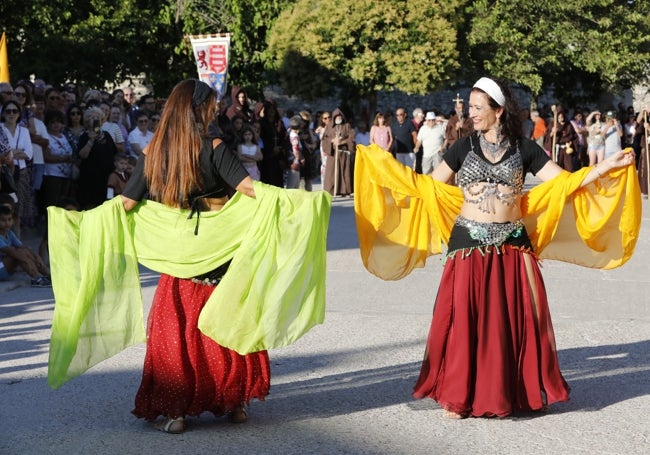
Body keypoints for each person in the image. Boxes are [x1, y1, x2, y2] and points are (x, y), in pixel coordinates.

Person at [353, 76, 639, 419]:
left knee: (512, 321)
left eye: (477, 108)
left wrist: (605, 166)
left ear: (498, 110)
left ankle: (510, 393)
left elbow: (565, 184)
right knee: (463, 319)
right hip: (467, 243)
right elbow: (427, 187)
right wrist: (384, 170)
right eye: (470, 108)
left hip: (512, 244)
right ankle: (458, 396)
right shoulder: (463, 147)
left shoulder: (525, 149)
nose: (470, 114)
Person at [1, 100, 34, 238]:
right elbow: (3, 155)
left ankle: (17, 243)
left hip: (21, 174)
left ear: (19, 114)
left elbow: (29, 154)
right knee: (3, 209)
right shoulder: (0, 129)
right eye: (8, 111)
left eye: (14, 111)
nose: (11, 114)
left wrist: (10, 153)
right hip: (3, 174)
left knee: (17, 212)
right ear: (3, 113)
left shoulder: (24, 130)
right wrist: (16, 152)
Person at [76, 106, 118, 209]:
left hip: (106, 176)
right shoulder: (84, 136)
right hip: (90, 177)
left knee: (106, 203)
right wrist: (91, 141)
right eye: (92, 117)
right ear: (87, 121)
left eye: (97, 117)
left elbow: (114, 153)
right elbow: (82, 155)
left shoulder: (107, 135)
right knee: (90, 204)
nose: (95, 120)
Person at [0, 205, 51, 287]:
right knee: (17, 254)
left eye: (9, 219)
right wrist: (27, 260)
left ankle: (48, 275)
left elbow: (22, 247)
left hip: (5, 266)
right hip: (1, 267)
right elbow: (10, 251)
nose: (7, 223)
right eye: (3, 220)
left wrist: (36, 256)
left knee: (23, 251)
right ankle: (37, 277)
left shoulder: (9, 233)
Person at [321, 108, 355, 196]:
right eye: (337, 116)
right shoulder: (329, 126)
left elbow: (351, 138)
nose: (339, 118)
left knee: (344, 172)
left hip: (343, 153)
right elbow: (324, 139)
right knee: (331, 173)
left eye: (340, 116)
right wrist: (332, 141)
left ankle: (345, 190)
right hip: (333, 153)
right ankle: (331, 190)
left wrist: (342, 141)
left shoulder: (347, 126)